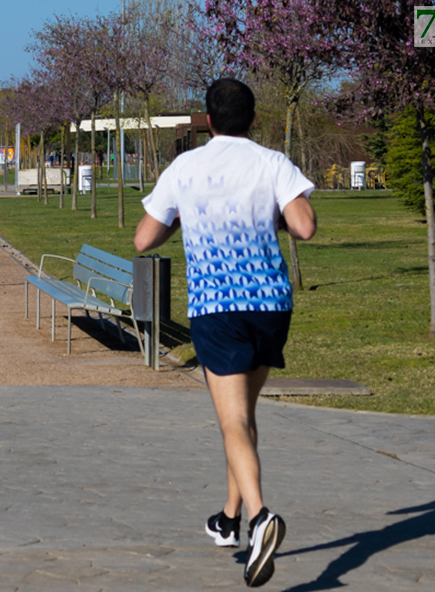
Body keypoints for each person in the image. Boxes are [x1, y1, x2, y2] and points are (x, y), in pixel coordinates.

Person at [134, 78, 317, 588]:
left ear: (208, 120)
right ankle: (228, 518)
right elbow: (304, 226)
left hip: (218, 305)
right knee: (245, 417)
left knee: (232, 420)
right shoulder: (272, 162)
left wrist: (181, 219)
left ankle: (260, 518)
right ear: (252, 118)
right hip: (270, 305)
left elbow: (144, 238)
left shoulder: (186, 167)